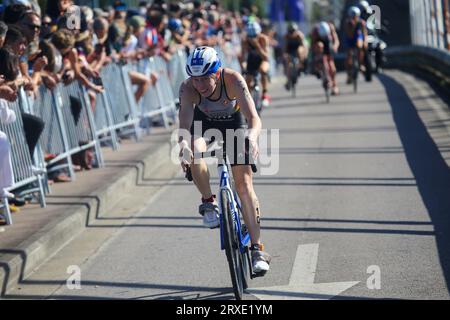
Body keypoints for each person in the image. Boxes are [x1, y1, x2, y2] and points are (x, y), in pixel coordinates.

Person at [178, 46, 271, 275]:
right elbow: (184, 128)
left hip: (235, 124)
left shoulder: (233, 80)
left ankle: (257, 249)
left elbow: (254, 118)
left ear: (217, 73)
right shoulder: (188, 88)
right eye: (195, 79)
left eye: (204, 79)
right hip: (204, 124)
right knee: (193, 148)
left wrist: (251, 137)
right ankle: (209, 201)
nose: (199, 85)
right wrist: (182, 147)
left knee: (244, 185)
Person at [241, 20, 271, 108]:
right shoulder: (245, 41)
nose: (253, 38)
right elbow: (243, 56)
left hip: (262, 60)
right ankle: (249, 102)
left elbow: (266, 57)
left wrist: (257, 45)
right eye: (251, 36)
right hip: (251, 60)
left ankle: (265, 94)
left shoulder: (263, 39)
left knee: (263, 70)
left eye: (255, 36)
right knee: (248, 80)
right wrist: (243, 66)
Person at [311, 21, 340, 95]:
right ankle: (321, 71)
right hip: (318, 44)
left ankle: (334, 86)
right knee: (319, 47)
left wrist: (335, 46)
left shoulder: (331, 27)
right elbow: (312, 45)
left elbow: (336, 40)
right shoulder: (315, 31)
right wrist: (316, 56)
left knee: (332, 69)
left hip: (328, 43)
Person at [344, 6, 368, 84]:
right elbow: (349, 34)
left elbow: (364, 33)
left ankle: (360, 64)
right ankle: (349, 74)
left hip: (358, 38)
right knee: (349, 56)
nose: (354, 18)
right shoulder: (348, 23)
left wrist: (365, 42)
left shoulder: (361, 22)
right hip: (350, 39)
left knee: (360, 47)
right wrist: (353, 26)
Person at [283, 22, 308, 90]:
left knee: (299, 50)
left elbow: (304, 46)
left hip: (298, 50)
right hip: (290, 50)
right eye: (290, 32)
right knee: (288, 64)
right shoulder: (286, 36)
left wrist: (303, 56)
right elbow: (285, 47)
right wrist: (285, 54)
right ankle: (288, 81)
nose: (292, 33)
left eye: (293, 31)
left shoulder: (299, 36)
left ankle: (301, 67)